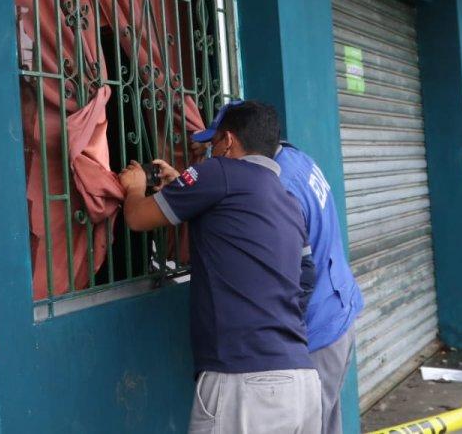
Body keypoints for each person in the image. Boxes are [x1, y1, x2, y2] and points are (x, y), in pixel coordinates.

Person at [120, 101, 320, 434]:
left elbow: (138, 217)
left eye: (212, 144)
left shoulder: (219, 172)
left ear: (228, 141)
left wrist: (134, 186)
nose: (210, 152)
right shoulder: (287, 200)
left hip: (246, 384)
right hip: (302, 381)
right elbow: (307, 278)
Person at [273, 141, 362, 434]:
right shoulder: (297, 158)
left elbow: (301, 274)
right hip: (337, 311)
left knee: (309, 424)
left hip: (317, 329)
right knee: (325, 423)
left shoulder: (279, 187)